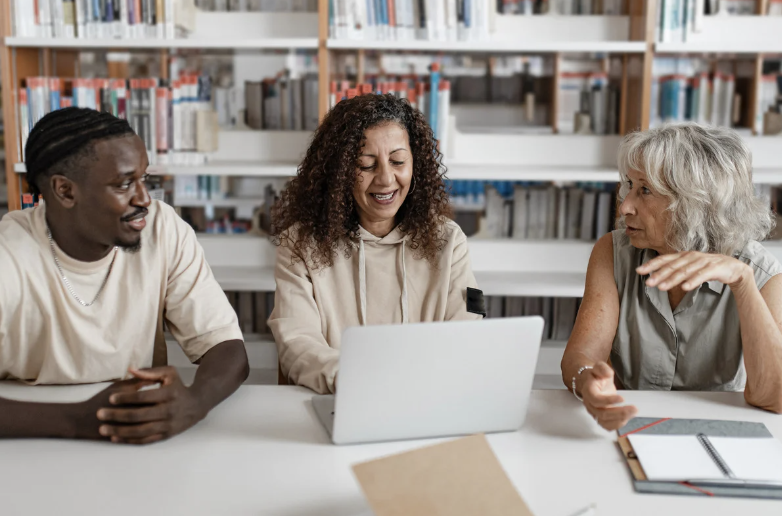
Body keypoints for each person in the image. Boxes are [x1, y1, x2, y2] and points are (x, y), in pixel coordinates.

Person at [0, 108, 249, 444]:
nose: (144, 199)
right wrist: (76, 421)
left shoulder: (163, 228)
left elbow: (227, 347)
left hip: (138, 444)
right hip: (31, 450)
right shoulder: (10, 253)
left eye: (144, 179)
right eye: (124, 183)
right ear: (65, 191)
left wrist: (195, 402)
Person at [561, 123, 782, 431]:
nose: (625, 206)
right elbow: (580, 357)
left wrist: (743, 284)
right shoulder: (613, 252)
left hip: (720, 433)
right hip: (629, 426)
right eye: (629, 186)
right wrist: (589, 385)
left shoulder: (762, 274)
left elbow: (775, 398)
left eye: (645, 190)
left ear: (695, 203)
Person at [269, 93, 483, 394]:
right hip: (340, 400)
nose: (385, 179)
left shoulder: (448, 241)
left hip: (427, 399)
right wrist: (355, 380)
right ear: (341, 171)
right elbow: (297, 343)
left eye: (397, 161)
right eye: (366, 165)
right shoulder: (301, 244)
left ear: (415, 165)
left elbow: (467, 334)